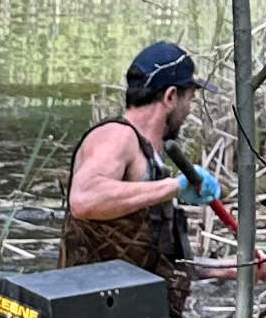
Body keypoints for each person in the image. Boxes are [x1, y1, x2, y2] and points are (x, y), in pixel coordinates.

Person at [62, 42, 226, 282]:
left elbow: (168, 265)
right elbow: (84, 199)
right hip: (94, 312)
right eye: (189, 99)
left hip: (136, 313)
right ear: (170, 96)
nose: (189, 111)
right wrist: (175, 187)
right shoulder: (117, 136)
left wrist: (242, 268)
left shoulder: (151, 162)